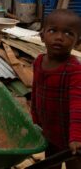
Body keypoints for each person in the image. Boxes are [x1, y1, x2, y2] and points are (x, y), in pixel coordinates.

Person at [31, 9, 81, 169]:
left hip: (71, 136)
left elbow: (77, 105)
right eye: (53, 31)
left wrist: (76, 137)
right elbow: (36, 92)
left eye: (68, 33)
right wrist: (35, 120)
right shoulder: (39, 62)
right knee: (51, 164)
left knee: (74, 164)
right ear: (42, 35)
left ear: (78, 42)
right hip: (50, 131)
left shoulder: (74, 70)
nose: (59, 37)